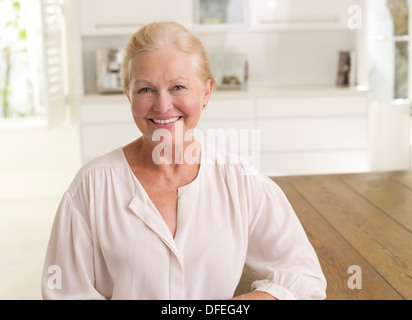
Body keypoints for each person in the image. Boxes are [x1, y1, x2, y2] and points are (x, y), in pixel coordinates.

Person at [41, 21, 326, 300]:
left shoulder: (240, 181)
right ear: (128, 93)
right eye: (145, 89)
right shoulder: (92, 186)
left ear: (206, 92)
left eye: (178, 87)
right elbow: (65, 291)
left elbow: (304, 277)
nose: (162, 105)